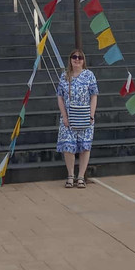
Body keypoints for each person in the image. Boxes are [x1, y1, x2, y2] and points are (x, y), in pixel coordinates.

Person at [56, 48, 99, 188]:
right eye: (74, 57)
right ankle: (70, 175)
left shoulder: (89, 75)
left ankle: (81, 176)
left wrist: (91, 115)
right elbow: (60, 97)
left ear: (83, 60)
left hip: (85, 115)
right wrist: (64, 116)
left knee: (85, 147)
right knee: (68, 146)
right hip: (68, 116)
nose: (77, 59)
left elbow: (94, 95)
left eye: (80, 57)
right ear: (70, 59)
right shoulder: (64, 76)